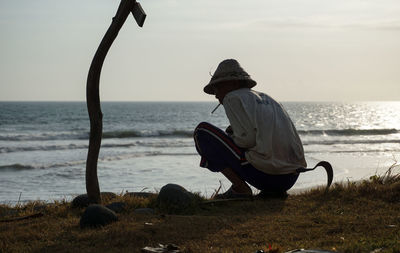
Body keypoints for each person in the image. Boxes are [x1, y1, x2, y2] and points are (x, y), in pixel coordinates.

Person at [193, 59, 308, 199]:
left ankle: (240, 188)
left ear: (233, 83)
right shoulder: (268, 98)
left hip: (267, 176)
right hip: (290, 178)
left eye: (217, 88)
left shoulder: (232, 97)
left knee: (202, 132)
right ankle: (273, 192)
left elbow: (246, 141)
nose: (216, 95)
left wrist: (231, 138)